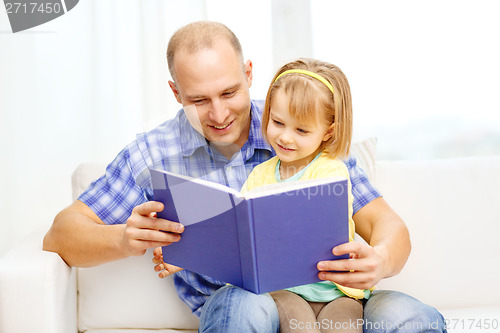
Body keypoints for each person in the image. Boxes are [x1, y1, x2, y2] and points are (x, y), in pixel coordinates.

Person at [44, 21, 446, 332]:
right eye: (199, 100)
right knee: (242, 305)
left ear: (250, 73)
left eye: (229, 93)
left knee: (411, 317)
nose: (219, 115)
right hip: (242, 304)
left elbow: (388, 225)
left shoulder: (295, 125)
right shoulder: (153, 153)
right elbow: (60, 234)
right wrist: (123, 239)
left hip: (338, 299)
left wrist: (380, 259)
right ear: (175, 93)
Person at [237, 58, 365, 333]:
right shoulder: (259, 175)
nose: (285, 137)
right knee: (299, 328)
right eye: (278, 122)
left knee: (344, 328)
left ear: (328, 132)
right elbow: (240, 231)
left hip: (339, 292)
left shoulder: (332, 171)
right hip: (284, 290)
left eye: (301, 130)